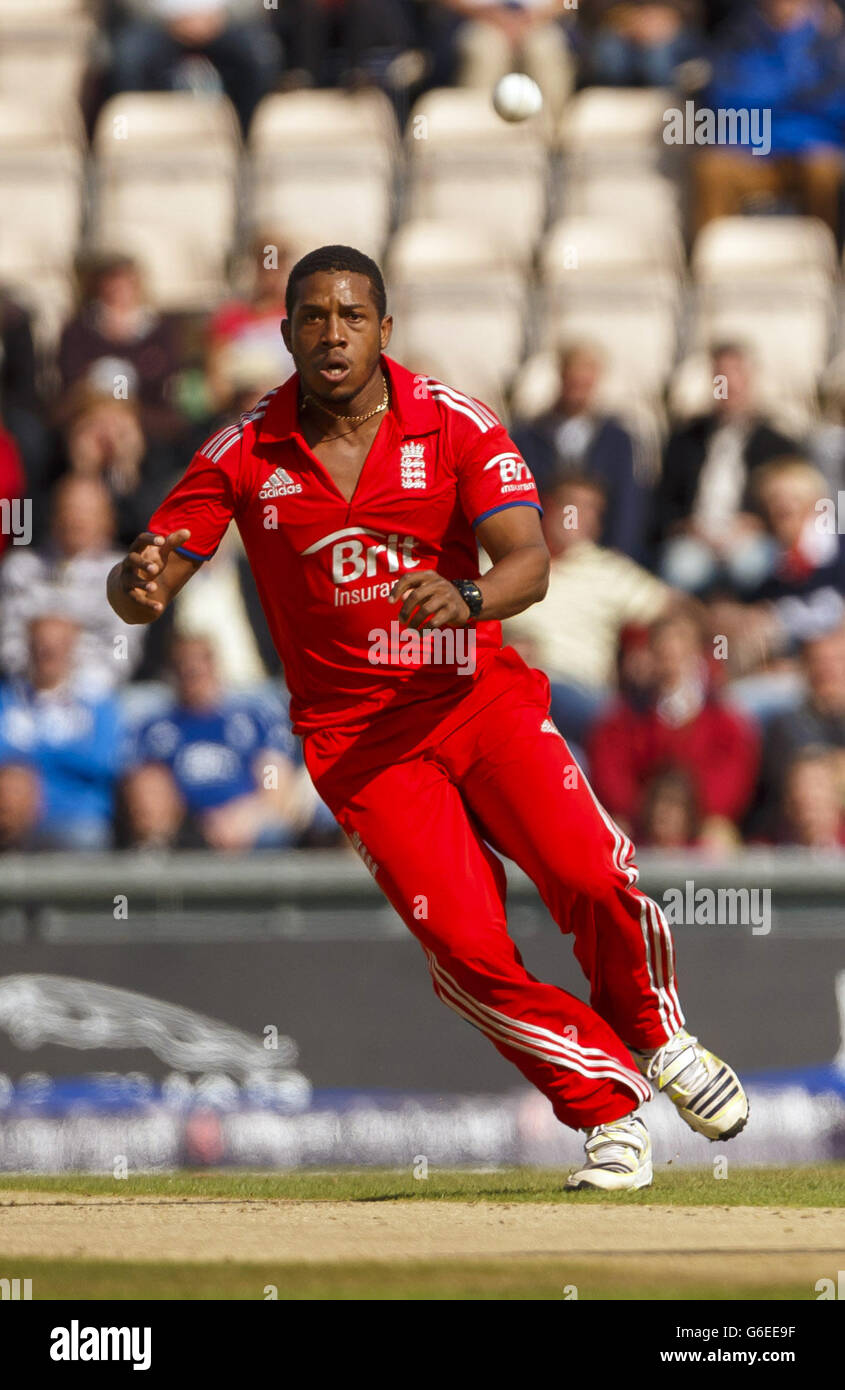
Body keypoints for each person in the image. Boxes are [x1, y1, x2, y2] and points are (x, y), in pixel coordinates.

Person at [107, 244, 748, 1191]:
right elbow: (142, 582)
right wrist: (138, 581)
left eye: (351, 315)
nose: (332, 334)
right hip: (359, 744)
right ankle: (606, 1109)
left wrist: (472, 597)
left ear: (385, 329)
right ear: (285, 334)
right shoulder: (243, 449)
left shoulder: (453, 423)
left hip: (476, 699)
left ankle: (658, 1037)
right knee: (463, 950)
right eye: (313, 318)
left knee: (590, 871)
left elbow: (528, 561)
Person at [503, 474, 671, 752]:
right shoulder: (502, 562)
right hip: (515, 687)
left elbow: (675, 610)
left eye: (594, 509)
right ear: (547, 508)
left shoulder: (607, 570)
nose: (584, 517)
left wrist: (643, 645)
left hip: (582, 692)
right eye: (575, 506)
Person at [588, 607, 760, 851]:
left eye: (680, 645)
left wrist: (688, 811)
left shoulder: (721, 715)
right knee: (615, 833)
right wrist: (650, 810)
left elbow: (733, 777)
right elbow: (610, 771)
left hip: (700, 820)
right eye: (663, 647)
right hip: (642, 818)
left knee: (718, 836)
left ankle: (702, 891)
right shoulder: (627, 716)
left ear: (695, 651)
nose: (671, 655)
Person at [122, 633, 309, 849]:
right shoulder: (157, 729)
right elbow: (146, 788)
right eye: (183, 665)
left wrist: (247, 816)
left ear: (213, 665)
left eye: (199, 663)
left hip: (246, 823)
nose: (192, 672)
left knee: (272, 833)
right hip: (184, 827)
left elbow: (275, 782)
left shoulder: (252, 721)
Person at [654, 342, 800, 594]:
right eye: (721, 376)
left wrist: (754, 524)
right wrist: (688, 527)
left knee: (750, 567)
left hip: (751, 541)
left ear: (750, 379)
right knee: (681, 569)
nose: (729, 385)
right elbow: (664, 503)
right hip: (695, 540)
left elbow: (790, 504)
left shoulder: (777, 443)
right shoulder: (685, 440)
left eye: (736, 375)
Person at [695, 0, 845, 237]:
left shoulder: (832, 40)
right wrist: (800, 92)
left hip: (811, 151)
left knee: (825, 172)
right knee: (713, 168)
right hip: (750, 150)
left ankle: (829, 262)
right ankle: (710, 263)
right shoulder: (735, 35)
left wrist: (765, 91)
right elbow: (724, 98)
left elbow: (836, 104)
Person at [0, 475, 146, 690]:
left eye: (87, 513)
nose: (75, 520)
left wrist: (73, 686)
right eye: (69, 509)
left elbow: (122, 650)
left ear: (108, 520)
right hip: (25, 690)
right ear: (53, 516)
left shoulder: (125, 575)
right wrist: (43, 678)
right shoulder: (20, 569)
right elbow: (7, 642)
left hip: (96, 695)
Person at [511, 343, 650, 561]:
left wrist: (619, 554)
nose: (578, 390)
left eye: (585, 383)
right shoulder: (528, 437)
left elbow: (626, 500)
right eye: (573, 381)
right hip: (542, 544)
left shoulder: (618, 439)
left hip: (599, 547)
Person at [0, 614, 123, 850]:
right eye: (40, 645)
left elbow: (103, 762)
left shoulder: (98, 703)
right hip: (11, 816)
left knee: (86, 837)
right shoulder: (7, 699)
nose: (47, 653)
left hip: (77, 816)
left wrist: (30, 758)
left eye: (56, 646)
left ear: (72, 648)